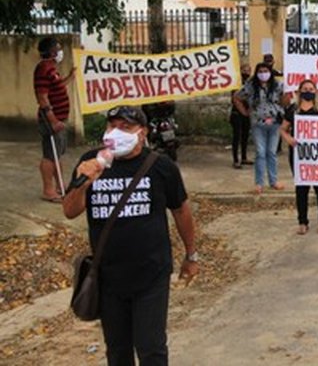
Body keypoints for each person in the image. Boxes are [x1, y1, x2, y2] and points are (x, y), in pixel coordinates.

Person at [62, 106, 198, 364]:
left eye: (125, 127)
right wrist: (84, 182)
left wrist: (191, 255)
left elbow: (181, 211)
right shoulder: (90, 162)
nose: (117, 133)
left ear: (142, 133)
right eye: (112, 126)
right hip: (109, 276)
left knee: (151, 348)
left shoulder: (161, 166)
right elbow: (69, 211)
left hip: (151, 274)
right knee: (117, 350)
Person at [281, 79, 318, 235]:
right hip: (298, 155)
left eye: (311, 88)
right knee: (301, 189)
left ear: (316, 91)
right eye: (305, 88)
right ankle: (302, 222)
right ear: (300, 91)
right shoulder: (293, 109)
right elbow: (283, 129)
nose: (308, 91)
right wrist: (288, 139)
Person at [233, 62, 284, 194]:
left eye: (265, 71)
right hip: (258, 124)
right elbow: (236, 98)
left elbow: (285, 99)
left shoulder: (278, 85)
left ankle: (273, 181)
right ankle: (259, 183)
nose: (263, 74)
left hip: (274, 123)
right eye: (260, 71)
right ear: (257, 73)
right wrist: (244, 112)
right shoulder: (250, 86)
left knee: (271, 153)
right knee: (260, 153)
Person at [34, 37, 75, 202]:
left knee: (57, 154)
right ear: (52, 52)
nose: (60, 52)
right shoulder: (43, 69)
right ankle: (48, 191)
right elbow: (42, 98)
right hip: (51, 121)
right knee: (50, 156)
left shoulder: (52, 68)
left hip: (59, 119)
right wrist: (53, 120)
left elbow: (57, 87)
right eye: (58, 49)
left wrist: (71, 77)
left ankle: (60, 186)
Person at [229, 62, 252, 169]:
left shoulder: (250, 83)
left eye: (248, 71)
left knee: (245, 136)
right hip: (237, 113)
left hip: (247, 114)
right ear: (240, 71)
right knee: (237, 137)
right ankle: (235, 160)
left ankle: (244, 157)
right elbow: (235, 98)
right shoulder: (236, 83)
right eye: (244, 70)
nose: (246, 73)